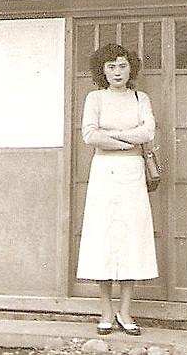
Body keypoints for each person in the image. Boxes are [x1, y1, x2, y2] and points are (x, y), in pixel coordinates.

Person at [77, 43, 158, 336]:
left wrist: (110, 135)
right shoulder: (95, 98)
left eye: (122, 66)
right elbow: (89, 135)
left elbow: (147, 131)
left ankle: (125, 311)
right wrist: (128, 138)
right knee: (104, 238)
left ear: (130, 68)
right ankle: (106, 311)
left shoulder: (140, 97)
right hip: (103, 172)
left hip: (133, 171)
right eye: (111, 67)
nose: (117, 72)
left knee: (131, 237)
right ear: (102, 70)